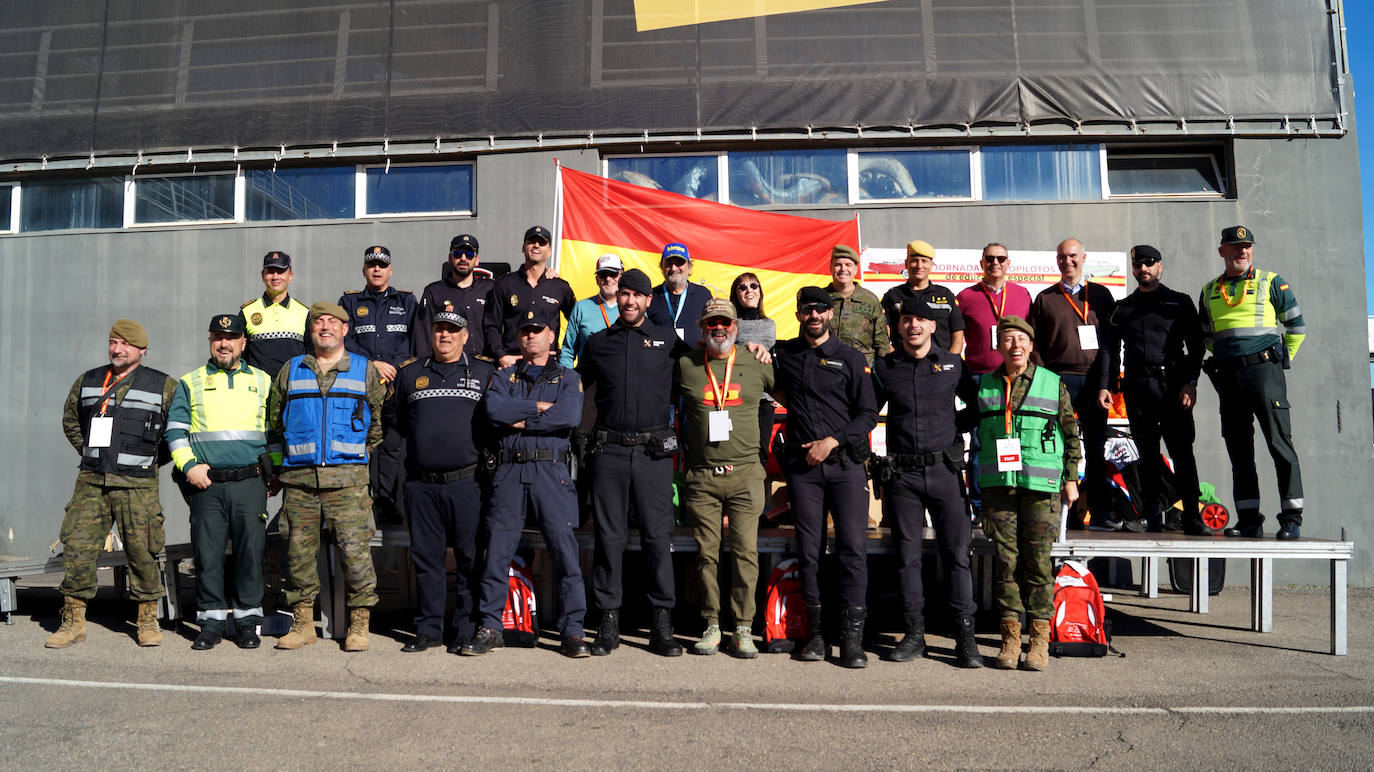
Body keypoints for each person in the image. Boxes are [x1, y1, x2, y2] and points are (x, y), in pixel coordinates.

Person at [463, 307, 590, 658]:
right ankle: (490, 625)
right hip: (509, 472)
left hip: (551, 472)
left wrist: (519, 417)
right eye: (525, 331)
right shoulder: (504, 376)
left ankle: (573, 631)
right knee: (497, 554)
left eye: (538, 330)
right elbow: (493, 411)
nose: (531, 336)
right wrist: (538, 409)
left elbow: (567, 417)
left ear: (552, 337)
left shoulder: (567, 377)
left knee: (566, 554)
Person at [577, 268, 690, 657]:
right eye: (623, 294)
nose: (628, 301)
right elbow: (583, 391)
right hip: (608, 454)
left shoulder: (668, 342)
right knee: (609, 541)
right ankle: (608, 623)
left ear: (647, 301)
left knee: (658, 540)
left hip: (653, 454)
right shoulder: (597, 343)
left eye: (636, 295)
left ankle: (662, 623)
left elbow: (693, 379)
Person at [46, 320, 177, 649]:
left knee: (142, 551)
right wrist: (89, 452)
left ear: (142, 350)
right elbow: (70, 419)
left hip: (137, 486)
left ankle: (147, 618)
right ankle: (73, 620)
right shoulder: (89, 380)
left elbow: (175, 433)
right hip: (91, 482)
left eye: (126, 345)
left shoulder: (163, 385)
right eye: (114, 342)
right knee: (77, 549)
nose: (118, 349)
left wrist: (147, 460)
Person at [268, 302, 385, 652]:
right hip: (301, 483)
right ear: (311, 329)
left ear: (345, 329)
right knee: (298, 557)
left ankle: (359, 626)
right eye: (318, 321)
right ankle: (304, 624)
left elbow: (376, 427)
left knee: (356, 556)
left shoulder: (364, 371)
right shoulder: (291, 370)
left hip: (347, 485)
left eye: (332, 322)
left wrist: (351, 459)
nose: (325, 327)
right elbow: (276, 422)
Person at [872, 298, 983, 668]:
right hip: (903, 476)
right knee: (907, 558)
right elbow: (866, 411)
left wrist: (955, 431)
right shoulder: (886, 368)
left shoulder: (952, 365)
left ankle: (964, 638)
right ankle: (914, 634)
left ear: (934, 326)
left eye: (921, 319)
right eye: (907, 319)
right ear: (898, 327)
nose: (913, 325)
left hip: (944, 473)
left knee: (956, 554)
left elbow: (979, 408)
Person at [772, 287, 879, 668]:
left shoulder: (850, 358)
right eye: (807, 310)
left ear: (829, 313)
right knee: (809, 551)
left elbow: (868, 413)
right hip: (803, 469)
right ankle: (816, 635)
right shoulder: (785, 353)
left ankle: (852, 640)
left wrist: (833, 441)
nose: (814, 315)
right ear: (799, 314)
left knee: (852, 549)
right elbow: (765, 375)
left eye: (820, 309)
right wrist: (757, 352)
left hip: (845, 465)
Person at [387, 311, 496, 653]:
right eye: (439, 330)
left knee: (468, 560)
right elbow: (397, 423)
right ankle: (428, 629)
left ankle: (465, 629)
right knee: (427, 559)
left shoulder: (483, 372)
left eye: (452, 330)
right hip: (422, 485)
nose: (445, 336)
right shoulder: (410, 373)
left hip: (468, 483)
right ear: (431, 334)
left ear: (466, 336)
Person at [977, 315, 1081, 672]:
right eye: (1008, 339)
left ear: (1031, 346)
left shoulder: (1053, 384)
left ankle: (1038, 642)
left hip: (1041, 487)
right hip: (998, 489)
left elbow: (1071, 432)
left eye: (1021, 339)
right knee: (1006, 563)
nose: (1015, 345)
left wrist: (1071, 477)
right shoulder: (985, 385)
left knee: (1037, 563)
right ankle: (1009, 639)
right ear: (999, 345)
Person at [674, 299, 775, 658]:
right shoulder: (686, 365)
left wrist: (762, 349)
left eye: (726, 323)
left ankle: (744, 628)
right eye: (712, 323)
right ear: (702, 328)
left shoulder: (757, 361)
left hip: (747, 474)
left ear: (736, 327)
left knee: (746, 553)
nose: (719, 328)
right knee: (707, 554)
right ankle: (712, 625)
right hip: (702, 477)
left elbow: (789, 395)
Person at [166, 314, 273, 650]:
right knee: (207, 554)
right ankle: (210, 623)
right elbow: (175, 431)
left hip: (249, 483)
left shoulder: (263, 381)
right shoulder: (191, 381)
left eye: (231, 338)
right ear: (210, 342)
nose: (223, 344)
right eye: (217, 338)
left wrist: (276, 473)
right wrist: (189, 467)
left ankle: (247, 623)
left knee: (249, 554)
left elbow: (277, 433)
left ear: (243, 343)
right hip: (206, 484)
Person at [1198, 226, 1307, 540]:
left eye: (1246, 247)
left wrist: (1279, 361)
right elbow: (1206, 335)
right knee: (1239, 451)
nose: (1241, 252)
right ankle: (1249, 520)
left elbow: (1297, 327)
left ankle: (1291, 518)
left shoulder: (1273, 282)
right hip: (1229, 377)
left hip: (1265, 374)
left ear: (1252, 250)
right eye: (1234, 247)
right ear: (1222, 251)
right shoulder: (1208, 290)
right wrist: (1230, 357)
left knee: (1279, 444)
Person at [1097, 245, 1205, 534]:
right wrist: (1106, 385)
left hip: (1172, 387)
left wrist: (1190, 383)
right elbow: (1109, 348)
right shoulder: (1124, 307)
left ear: (1160, 266)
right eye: (1138, 265)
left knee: (1182, 452)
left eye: (1149, 263)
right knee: (1146, 454)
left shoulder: (1179, 302)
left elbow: (1197, 346)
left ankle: (1193, 515)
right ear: (1133, 269)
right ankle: (1151, 515)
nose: (1143, 269)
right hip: (1138, 387)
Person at [1027, 238, 1115, 528]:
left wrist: (1106, 384)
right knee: (1054, 447)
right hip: (1057, 380)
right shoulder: (1045, 298)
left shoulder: (1101, 296)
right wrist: (1044, 380)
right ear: (1057, 261)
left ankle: (1099, 511)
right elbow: (1035, 344)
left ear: (1084, 257)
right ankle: (1052, 513)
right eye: (1063, 256)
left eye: (1073, 255)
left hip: (1093, 382)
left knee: (1095, 446)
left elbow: (1110, 345)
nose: (1068, 261)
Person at [339, 245, 417, 524]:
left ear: (390, 271)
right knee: (361, 443)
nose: (376, 269)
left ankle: (389, 504)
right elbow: (344, 340)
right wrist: (372, 363)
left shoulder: (406, 301)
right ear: (364, 270)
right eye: (371, 265)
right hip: (361, 387)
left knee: (393, 446)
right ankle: (361, 505)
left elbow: (413, 339)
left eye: (382, 265)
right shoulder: (348, 302)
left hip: (396, 387)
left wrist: (394, 366)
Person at [955, 243, 1034, 520]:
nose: (995, 263)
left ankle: (1011, 502)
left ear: (1009, 263)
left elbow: (1031, 339)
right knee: (980, 443)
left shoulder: (1023, 295)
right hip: (980, 379)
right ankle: (978, 507)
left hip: (1015, 377)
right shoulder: (965, 297)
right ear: (982, 262)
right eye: (990, 258)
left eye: (1001, 258)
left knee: (1015, 439)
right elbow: (955, 342)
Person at [484, 226, 576, 367]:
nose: (536, 246)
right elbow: (491, 325)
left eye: (542, 243)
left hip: (549, 364)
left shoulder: (560, 287)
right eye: (532, 241)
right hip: (512, 363)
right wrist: (501, 356)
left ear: (549, 251)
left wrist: (565, 353)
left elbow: (577, 323)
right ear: (523, 247)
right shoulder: (504, 284)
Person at [416, 234, 494, 361]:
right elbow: (422, 336)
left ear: (476, 260)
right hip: (448, 367)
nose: (463, 259)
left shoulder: (491, 289)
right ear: (450, 258)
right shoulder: (434, 291)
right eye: (458, 254)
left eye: (469, 255)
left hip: (486, 366)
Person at [880, 239, 965, 354]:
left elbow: (958, 338)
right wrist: (896, 362)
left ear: (931, 265)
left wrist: (950, 363)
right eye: (914, 261)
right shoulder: (893, 295)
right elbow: (883, 336)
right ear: (906, 263)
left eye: (924, 261)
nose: (919, 266)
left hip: (939, 366)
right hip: (903, 366)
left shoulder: (945, 295)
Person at [241, 250, 309, 378]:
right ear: (262, 275)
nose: (275, 277)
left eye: (281, 271)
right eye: (270, 272)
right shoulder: (247, 311)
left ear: (290, 276)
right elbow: (239, 356)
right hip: (258, 391)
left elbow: (312, 355)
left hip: (293, 388)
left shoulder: (304, 312)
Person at [825, 244, 889, 365]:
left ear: (856, 269)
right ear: (831, 268)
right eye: (838, 265)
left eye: (848, 265)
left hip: (862, 370)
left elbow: (882, 342)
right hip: (827, 369)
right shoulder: (821, 298)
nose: (843, 269)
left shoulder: (870, 300)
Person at [559, 253, 622, 367]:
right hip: (588, 380)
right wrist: (568, 381)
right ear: (597, 279)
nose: (608, 279)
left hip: (621, 381)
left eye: (613, 274)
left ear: (621, 276)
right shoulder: (581, 307)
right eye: (603, 274)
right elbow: (568, 351)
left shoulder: (632, 308)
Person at [647, 242, 713, 348]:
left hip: (694, 362)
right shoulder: (651, 296)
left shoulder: (703, 295)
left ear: (689, 267)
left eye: (679, 263)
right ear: (662, 267)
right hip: (660, 363)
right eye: (669, 263)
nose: (673, 268)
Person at [730, 271, 776, 350]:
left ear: (760, 293)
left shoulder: (770, 324)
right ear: (736, 295)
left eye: (754, 286)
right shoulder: (730, 324)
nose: (749, 291)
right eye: (743, 287)